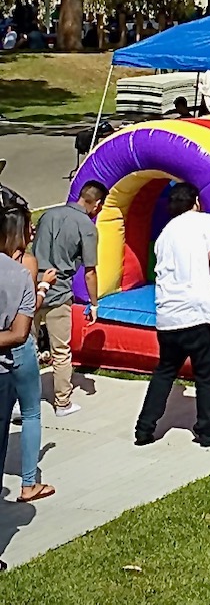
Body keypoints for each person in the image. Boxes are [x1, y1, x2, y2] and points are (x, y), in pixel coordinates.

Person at [134, 182, 210, 446]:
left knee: (165, 371)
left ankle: (144, 428)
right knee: (208, 374)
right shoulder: (206, 222)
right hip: (198, 312)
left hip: (168, 315)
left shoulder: (165, 233)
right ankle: (207, 430)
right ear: (196, 202)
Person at [31, 179, 107, 417]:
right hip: (59, 292)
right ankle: (62, 402)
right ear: (97, 204)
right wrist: (94, 303)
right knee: (61, 351)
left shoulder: (48, 215)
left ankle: (20, 401)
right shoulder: (86, 226)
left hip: (33, 287)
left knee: (27, 349)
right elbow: (90, 270)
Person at [3, 194, 55, 500]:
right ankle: (28, 482)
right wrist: (44, 285)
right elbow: (29, 307)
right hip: (19, 348)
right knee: (32, 412)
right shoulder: (27, 263)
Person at [0, 198, 36, 568]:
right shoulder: (20, 275)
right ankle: (29, 479)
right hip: (4, 370)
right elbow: (19, 333)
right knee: (30, 413)